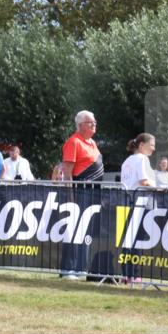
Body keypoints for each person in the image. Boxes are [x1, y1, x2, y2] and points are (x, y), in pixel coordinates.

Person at [59, 110, 104, 278]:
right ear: (80, 125)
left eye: (95, 122)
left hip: (93, 194)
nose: (94, 125)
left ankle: (80, 268)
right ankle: (67, 269)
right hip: (79, 193)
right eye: (90, 122)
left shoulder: (92, 143)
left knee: (86, 232)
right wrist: (71, 196)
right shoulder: (73, 142)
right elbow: (67, 172)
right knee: (74, 231)